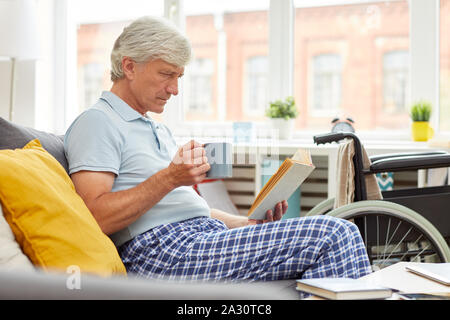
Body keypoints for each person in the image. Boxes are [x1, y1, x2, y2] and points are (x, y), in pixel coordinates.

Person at [64, 16, 372, 284]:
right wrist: (169, 178)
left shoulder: (156, 128)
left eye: (179, 77)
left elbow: (183, 208)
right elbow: (94, 216)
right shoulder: (97, 122)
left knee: (337, 235)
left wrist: (246, 224)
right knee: (335, 234)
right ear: (129, 66)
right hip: (162, 253)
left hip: (200, 237)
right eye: (166, 74)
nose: (175, 89)